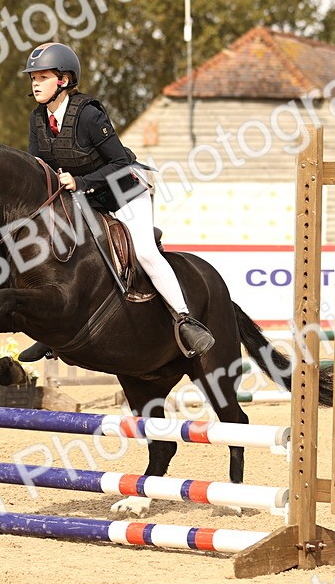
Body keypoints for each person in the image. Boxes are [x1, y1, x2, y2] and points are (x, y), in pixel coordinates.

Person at [17, 42, 214, 359]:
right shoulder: (37, 119)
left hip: (123, 192)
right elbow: (39, 166)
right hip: (84, 197)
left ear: (63, 80)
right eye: (33, 78)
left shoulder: (89, 115)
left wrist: (80, 182)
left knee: (145, 252)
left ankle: (186, 320)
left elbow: (120, 163)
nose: (35, 84)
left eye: (42, 77)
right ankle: (53, 331)